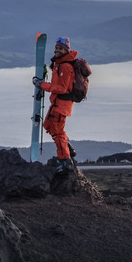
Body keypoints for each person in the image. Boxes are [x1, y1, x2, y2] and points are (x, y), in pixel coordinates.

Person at [32, 37, 78, 173]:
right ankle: (68, 149)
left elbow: (62, 88)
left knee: (58, 132)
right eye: (57, 48)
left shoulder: (65, 66)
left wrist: (42, 85)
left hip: (62, 105)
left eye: (61, 48)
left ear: (66, 50)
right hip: (57, 104)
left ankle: (65, 161)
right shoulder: (60, 64)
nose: (57, 50)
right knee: (49, 126)